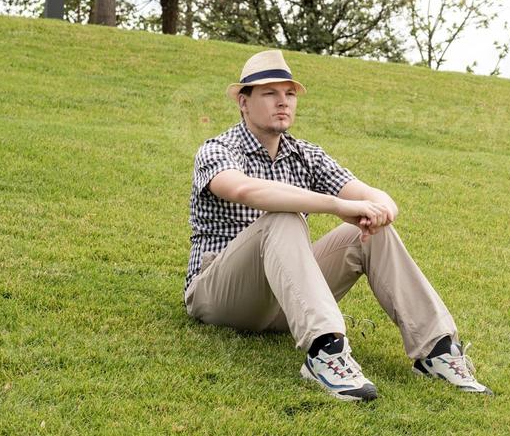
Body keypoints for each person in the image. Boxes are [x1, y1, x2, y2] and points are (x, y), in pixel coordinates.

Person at [182, 49, 492, 402]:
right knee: (283, 215)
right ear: (243, 101)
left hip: (284, 300)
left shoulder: (306, 154)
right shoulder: (218, 149)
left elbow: (372, 194)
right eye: (269, 93)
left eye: (289, 94)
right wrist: (336, 205)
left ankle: (436, 349)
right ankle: (326, 353)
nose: (282, 102)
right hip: (220, 294)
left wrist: (379, 210)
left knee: (371, 233)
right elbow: (244, 190)